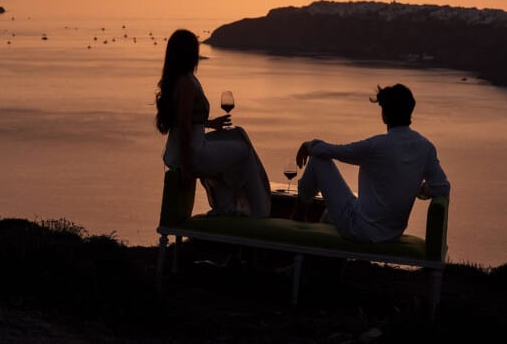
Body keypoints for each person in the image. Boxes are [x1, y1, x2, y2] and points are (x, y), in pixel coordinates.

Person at [291, 83, 450, 242]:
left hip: (360, 229)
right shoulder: (425, 147)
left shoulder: (377, 146)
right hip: (392, 233)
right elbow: (442, 186)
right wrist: (420, 190)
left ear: (384, 116)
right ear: (410, 111)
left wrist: (309, 145)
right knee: (329, 215)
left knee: (318, 161)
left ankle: (296, 220)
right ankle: (312, 262)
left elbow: (337, 151)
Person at [156, 29, 270, 217]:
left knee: (236, 133)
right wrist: (186, 168)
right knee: (243, 150)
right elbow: (184, 126)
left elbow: (184, 121)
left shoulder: (177, 79)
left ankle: (225, 206)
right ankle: (258, 210)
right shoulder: (186, 83)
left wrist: (209, 123)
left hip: (184, 151)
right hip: (190, 155)